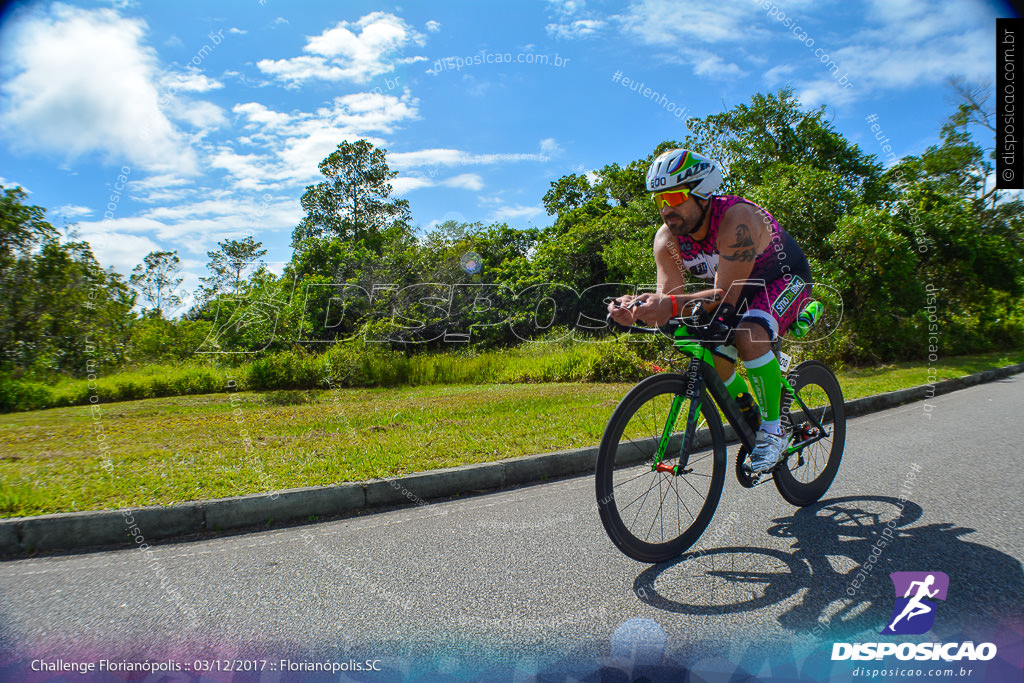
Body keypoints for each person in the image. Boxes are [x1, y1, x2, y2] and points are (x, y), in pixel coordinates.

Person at [607, 148, 813, 472]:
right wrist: (637, 309)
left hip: (782, 279)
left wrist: (669, 305)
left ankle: (774, 432)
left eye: (674, 196)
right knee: (714, 355)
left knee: (749, 335)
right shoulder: (667, 239)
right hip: (735, 287)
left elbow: (722, 296)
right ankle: (752, 415)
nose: (666, 208)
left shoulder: (737, 220)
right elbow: (671, 300)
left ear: (703, 192)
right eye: (659, 199)